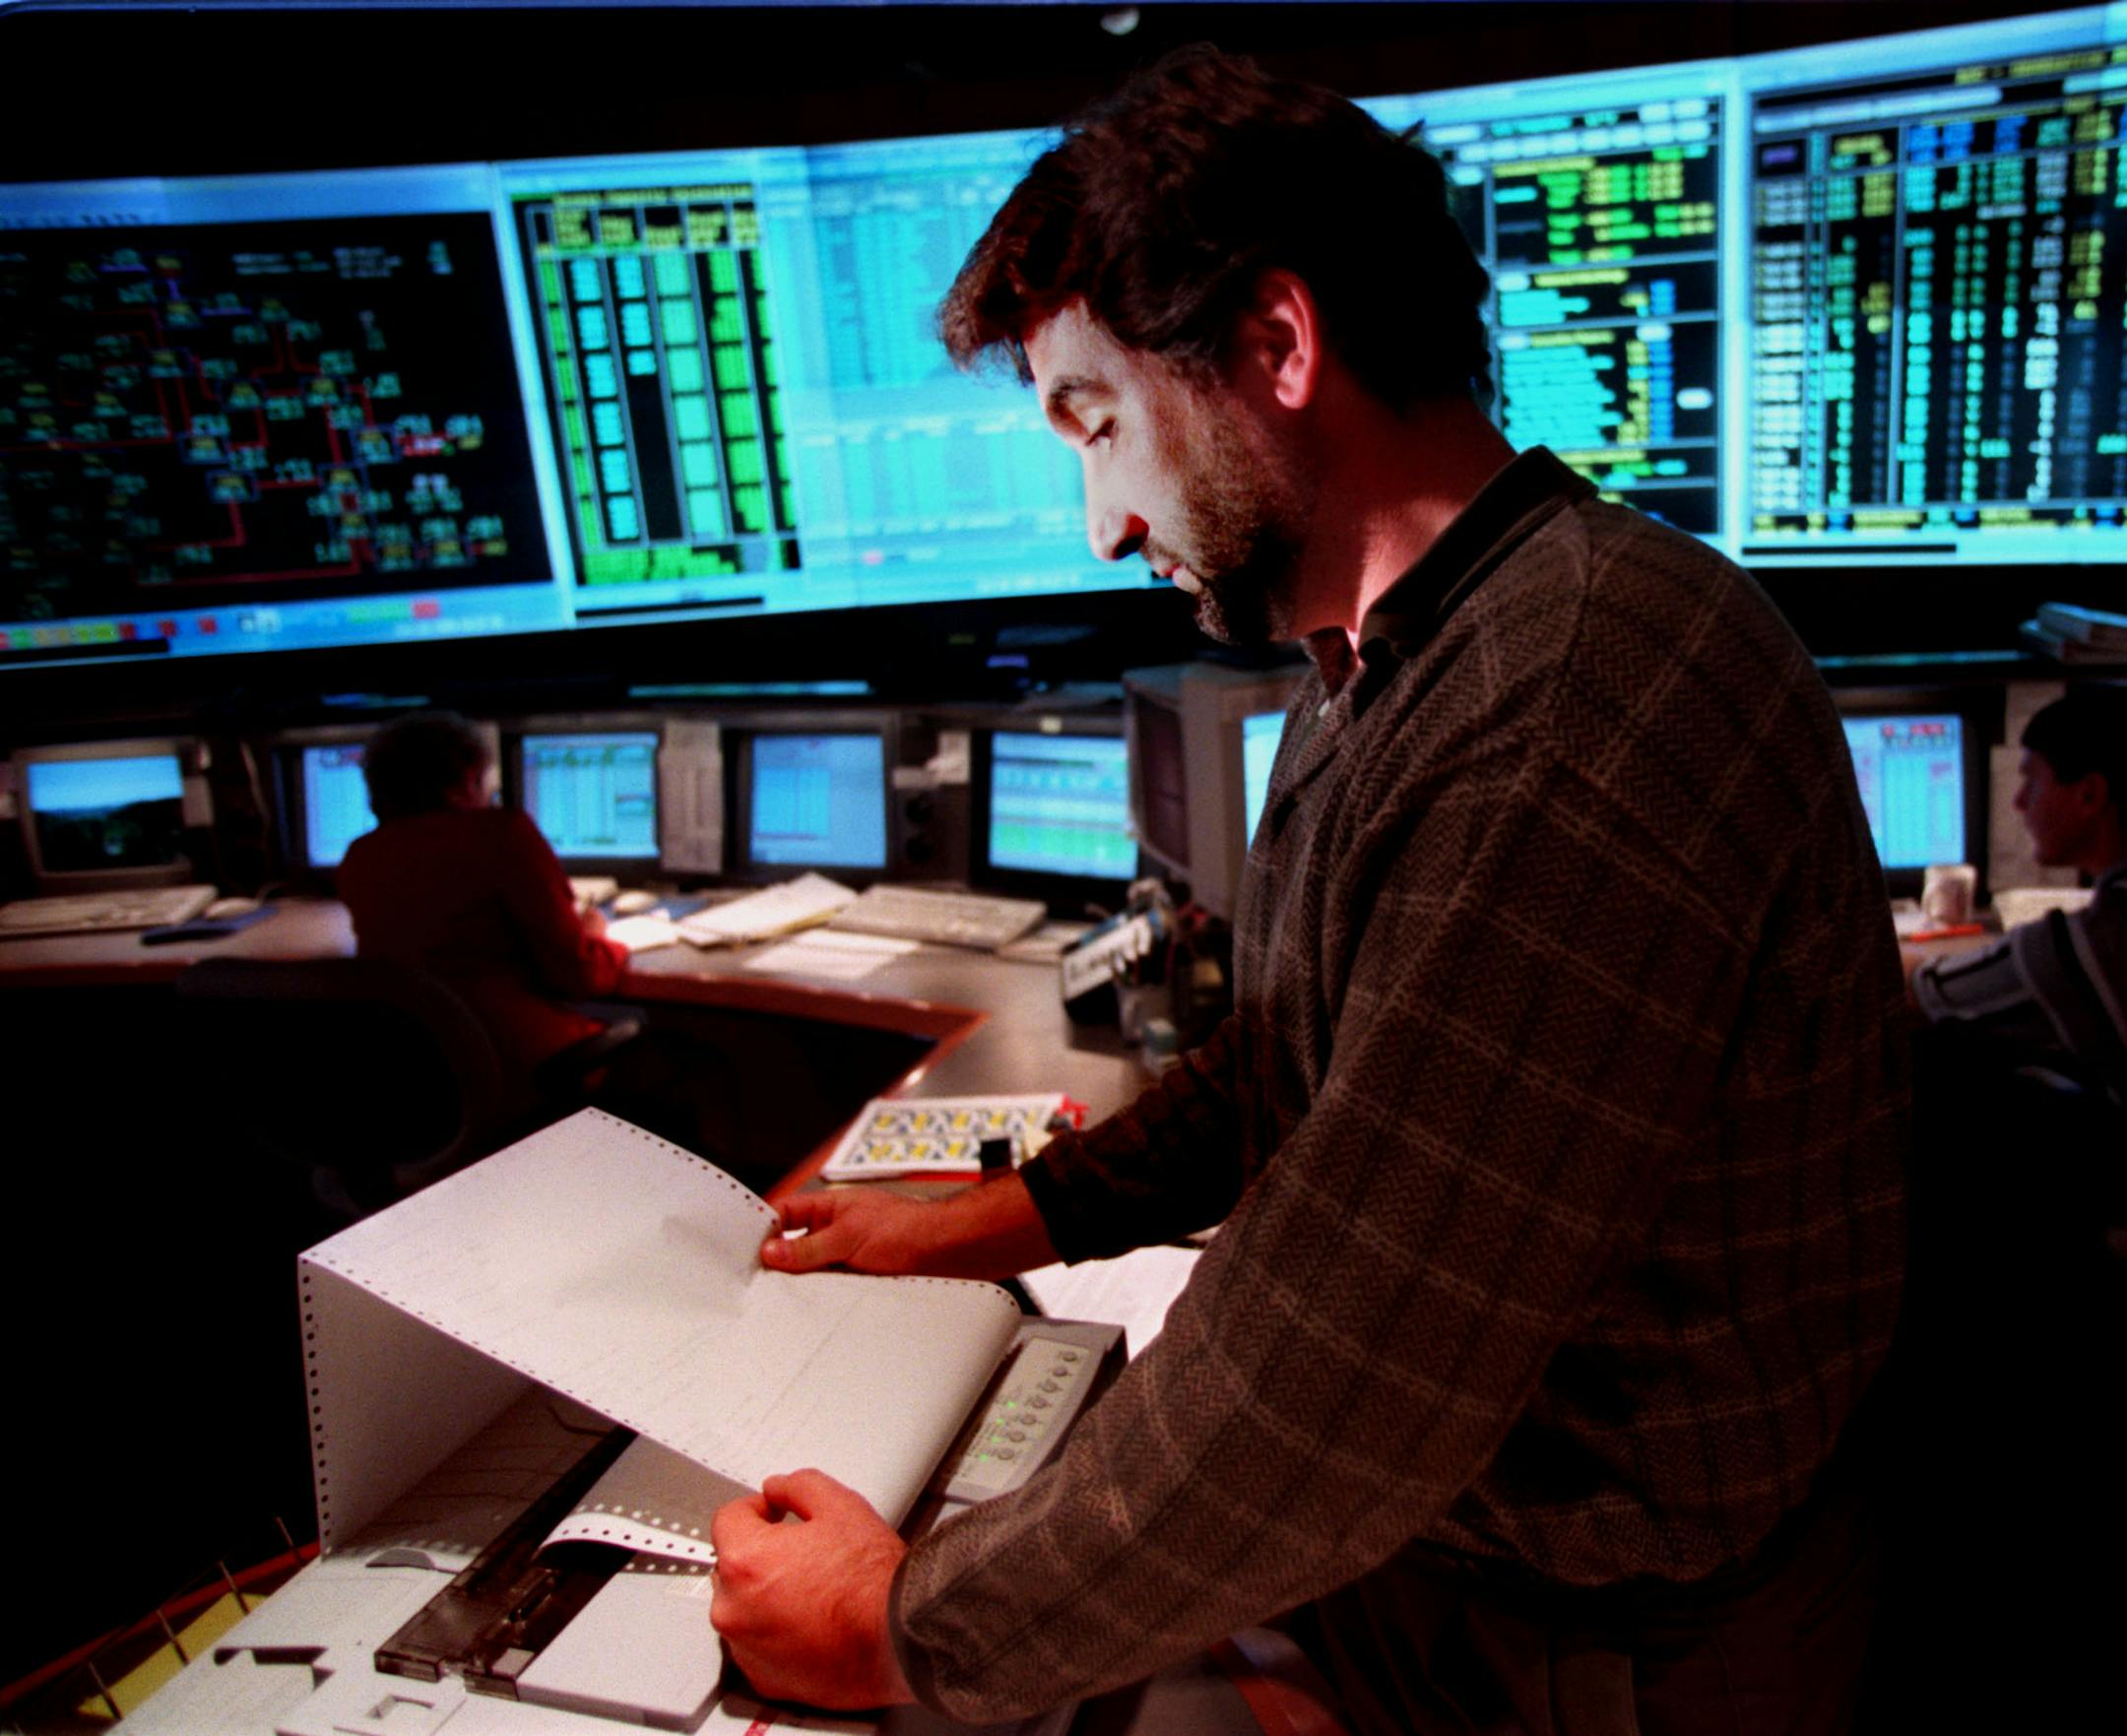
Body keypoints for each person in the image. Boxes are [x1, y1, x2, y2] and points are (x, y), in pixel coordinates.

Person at [709, 49, 1908, 1735]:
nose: (1104, 523)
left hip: (1610, 1656)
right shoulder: (1398, 664)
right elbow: (1303, 1065)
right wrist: (1004, 1215)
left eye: (1098, 421)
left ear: (1276, 345)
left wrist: (902, 1628)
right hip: (1465, 1570)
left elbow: (1337, 1382)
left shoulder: (1562, 713)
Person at [338, 710, 630, 1082]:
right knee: (700, 1073)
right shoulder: (501, 834)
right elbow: (579, 976)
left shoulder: (360, 858)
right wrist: (597, 936)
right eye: (481, 781)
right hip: (525, 1067)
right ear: (463, 781)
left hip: (426, 1077)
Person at [1910, 684, 2127, 1106]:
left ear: (2089, 795)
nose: (2018, 801)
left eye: (2032, 781)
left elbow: (1919, 991)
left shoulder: (2098, 941)